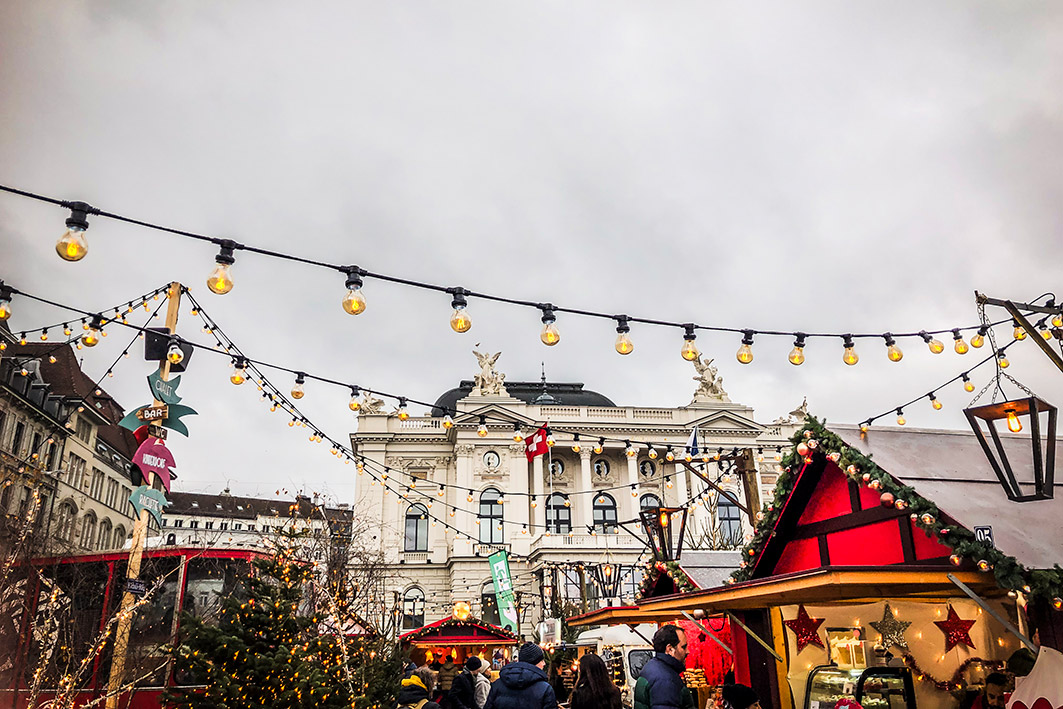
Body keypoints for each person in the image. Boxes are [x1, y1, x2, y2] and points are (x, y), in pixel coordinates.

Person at [634, 625, 695, 709]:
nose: (687, 651)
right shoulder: (666, 680)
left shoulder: (653, 667)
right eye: (683, 647)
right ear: (670, 649)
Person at [483, 642, 558, 709]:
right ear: (534, 662)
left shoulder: (497, 685)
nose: (544, 663)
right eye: (541, 660)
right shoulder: (544, 688)